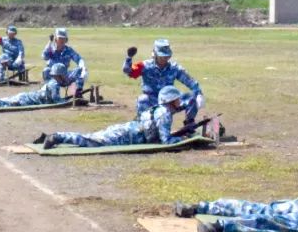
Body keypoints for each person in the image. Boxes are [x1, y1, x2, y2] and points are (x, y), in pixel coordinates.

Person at [38, 85, 185, 149]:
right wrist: (182, 139)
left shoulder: (158, 109)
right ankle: (57, 137)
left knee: (92, 137)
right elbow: (166, 141)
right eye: (177, 99)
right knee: (91, 141)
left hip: (128, 129)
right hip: (127, 135)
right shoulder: (165, 114)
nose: (179, 101)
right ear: (170, 100)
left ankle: (58, 137)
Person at [123, 38, 203, 123]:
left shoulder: (174, 68)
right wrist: (129, 58)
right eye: (162, 56)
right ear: (155, 55)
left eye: (166, 56)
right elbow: (128, 71)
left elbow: (189, 81)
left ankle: (189, 124)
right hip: (152, 101)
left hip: (170, 101)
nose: (164, 59)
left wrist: (199, 93)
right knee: (142, 100)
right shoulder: (144, 66)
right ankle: (142, 125)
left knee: (192, 97)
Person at [0, 61, 70, 110]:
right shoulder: (55, 84)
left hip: (27, 96)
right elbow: (56, 100)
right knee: (3, 103)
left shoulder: (51, 81)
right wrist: (67, 101)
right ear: (60, 74)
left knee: (4, 100)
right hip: (28, 100)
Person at [42, 27, 87, 95]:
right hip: (54, 78)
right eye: (60, 38)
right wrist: (50, 42)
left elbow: (79, 59)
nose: (62, 41)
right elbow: (44, 56)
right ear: (56, 39)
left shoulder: (69, 50)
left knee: (80, 70)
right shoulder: (50, 49)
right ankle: (50, 93)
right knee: (46, 70)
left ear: (66, 40)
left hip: (65, 77)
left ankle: (78, 93)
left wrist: (83, 68)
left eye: (64, 39)